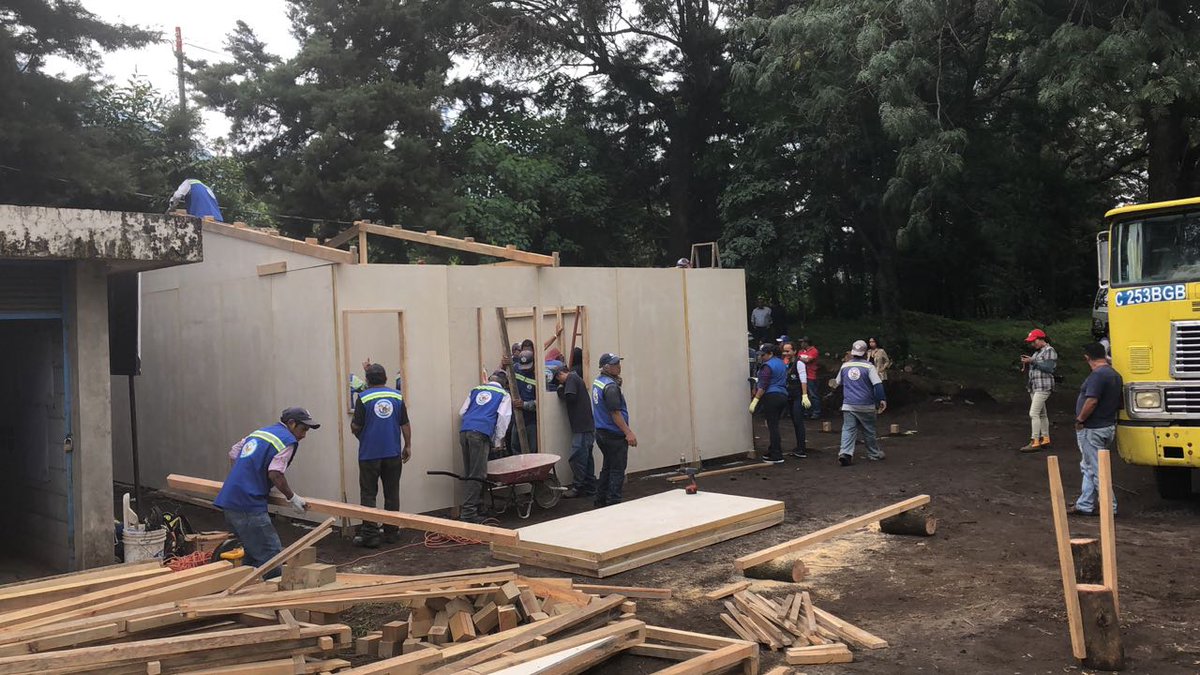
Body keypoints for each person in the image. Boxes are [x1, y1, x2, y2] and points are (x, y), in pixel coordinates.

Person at [214, 407, 318, 578]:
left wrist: (248, 476)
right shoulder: (287, 440)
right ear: (291, 424)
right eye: (303, 429)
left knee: (252, 552)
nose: (304, 435)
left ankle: (245, 592)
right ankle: (275, 600)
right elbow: (275, 473)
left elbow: (234, 454)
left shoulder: (261, 432)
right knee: (271, 556)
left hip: (230, 501)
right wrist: (292, 498)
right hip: (249, 505)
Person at [350, 363, 411, 548]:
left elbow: (356, 426)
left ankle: (371, 535)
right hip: (392, 453)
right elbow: (405, 424)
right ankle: (391, 532)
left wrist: (360, 435)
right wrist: (407, 445)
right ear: (385, 378)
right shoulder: (396, 396)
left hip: (369, 454)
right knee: (392, 493)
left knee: (369, 494)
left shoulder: (363, 398)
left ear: (367, 380)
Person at [1069, 343, 1123, 516]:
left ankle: (1109, 506)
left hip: (1093, 427)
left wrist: (1080, 419)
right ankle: (1084, 504)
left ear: (1087, 357)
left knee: (1098, 469)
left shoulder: (1097, 376)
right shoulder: (1115, 374)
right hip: (1107, 425)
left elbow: (1091, 401)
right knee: (1089, 466)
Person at [458, 371, 513, 523]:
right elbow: (503, 419)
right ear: (504, 383)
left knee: (470, 472)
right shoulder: (503, 395)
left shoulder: (476, 390)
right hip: (481, 433)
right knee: (478, 474)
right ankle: (469, 513)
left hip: (465, 431)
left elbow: (462, 411)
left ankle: (478, 506)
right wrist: (497, 441)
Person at [592, 353, 637, 507]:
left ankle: (600, 501)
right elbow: (615, 414)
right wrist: (628, 432)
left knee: (607, 468)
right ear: (606, 367)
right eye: (615, 364)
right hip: (614, 435)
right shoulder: (610, 387)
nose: (619, 366)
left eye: (618, 363)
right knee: (617, 470)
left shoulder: (599, 382)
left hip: (601, 432)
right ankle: (614, 503)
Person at [835, 341, 887, 465]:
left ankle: (845, 453)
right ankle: (873, 453)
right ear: (865, 353)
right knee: (869, 429)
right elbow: (878, 384)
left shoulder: (844, 366)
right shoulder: (869, 367)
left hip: (848, 403)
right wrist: (882, 399)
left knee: (848, 429)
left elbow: (838, 382)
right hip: (866, 404)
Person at [555, 364, 597, 499]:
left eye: (558, 378)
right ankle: (590, 487)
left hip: (582, 428)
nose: (559, 382)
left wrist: (560, 391)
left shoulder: (572, 379)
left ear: (561, 373)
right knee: (587, 459)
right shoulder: (576, 378)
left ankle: (578, 487)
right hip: (586, 426)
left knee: (577, 457)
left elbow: (570, 397)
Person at [749, 343, 789, 464]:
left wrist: (755, 400)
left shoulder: (767, 366)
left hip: (771, 396)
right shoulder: (781, 363)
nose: (762, 357)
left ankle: (776, 454)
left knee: (773, 427)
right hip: (782, 395)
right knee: (774, 425)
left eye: (764, 355)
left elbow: (764, 385)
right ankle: (773, 450)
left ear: (770, 353)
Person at [1020, 328, 1058, 451]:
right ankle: (1045, 438)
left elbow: (1049, 368)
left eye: (1034, 341)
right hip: (1035, 386)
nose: (1032, 344)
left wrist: (1032, 361)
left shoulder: (1049, 351)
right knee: (1042, 413)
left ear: (1041, 339)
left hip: (1043, 386)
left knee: (1033, 413)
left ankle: (1035, 440)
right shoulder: (1038, 352)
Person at [782, 341, 812, 458]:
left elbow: (803, 379)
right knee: (794, 420)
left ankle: (801, 448)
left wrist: (804, 395)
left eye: (788, 351)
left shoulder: (799, 363)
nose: (786, 353)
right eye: (784, 351)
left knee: (798, 420)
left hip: (798, 394)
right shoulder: (785, 363)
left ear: (794, 351)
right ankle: (799, 446)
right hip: (788, 393)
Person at [511, 350, 539, 453]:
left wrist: (524, 405)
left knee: (532, 450)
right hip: (517, 418)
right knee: (515, 447)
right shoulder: (515, 369)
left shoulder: (539, 376)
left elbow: (541, 402)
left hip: (531, 421)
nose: (526, 370)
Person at [797, 337, 822, 419]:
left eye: (802, 342)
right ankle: (807, 412)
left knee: (813, 394)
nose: (801, 344)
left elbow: (808, 360)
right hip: (802, 375)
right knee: (805, 394)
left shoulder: (814, 351)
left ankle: (816, 412)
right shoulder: (801, 351)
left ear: (806, 343)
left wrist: (800, 358)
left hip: (811, 375)